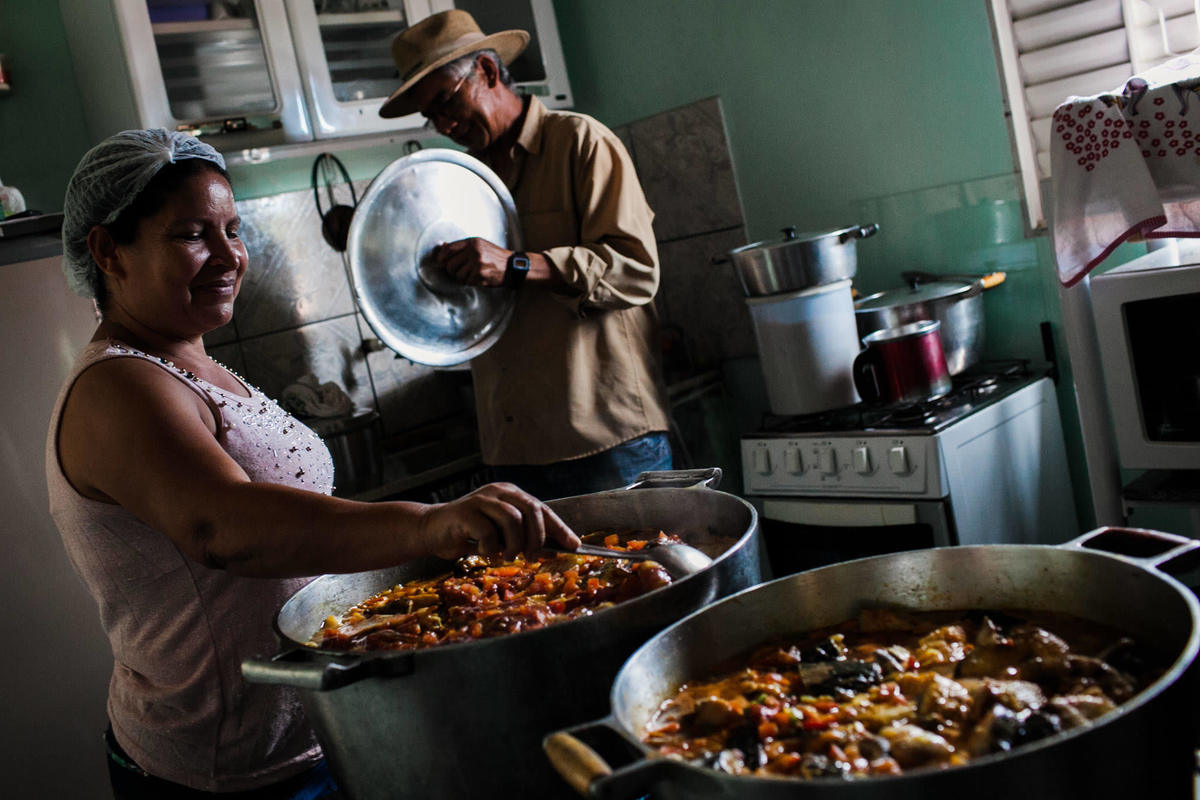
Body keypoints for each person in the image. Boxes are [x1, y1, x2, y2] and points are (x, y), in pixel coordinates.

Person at [48, 128, 579, 799]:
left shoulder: (193, 365)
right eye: (191, 235)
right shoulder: (118, 386)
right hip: (221, 769)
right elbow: (223, 528)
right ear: (107, 251)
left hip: (309, 730)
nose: (228, 255)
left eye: (232, 230)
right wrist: (427, 524)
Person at [379, 10, 674, 500]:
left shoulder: (580, 141)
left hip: (606, 439)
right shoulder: (461, 183)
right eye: (431, 115)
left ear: (487, 72)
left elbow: (636, 271)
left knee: (648, 555)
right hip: (512, 448)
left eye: (447, 101)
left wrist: (517, 264)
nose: (444, 124)